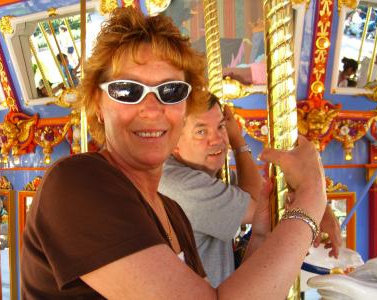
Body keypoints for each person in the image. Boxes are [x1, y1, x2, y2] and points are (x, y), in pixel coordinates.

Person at [21, 7, 327, 299]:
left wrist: (261, 235)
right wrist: (311, 199)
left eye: (171, 91)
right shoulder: (78, 185)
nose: (152, 110)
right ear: (98, 105)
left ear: (184, 108)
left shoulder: (172, 213)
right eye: (128, 91)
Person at [159, 94, 342, 287]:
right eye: (201, 132)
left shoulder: (203, 175)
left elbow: (266, 193)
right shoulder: (179, 184)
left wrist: (322, 210)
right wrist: (238, 141)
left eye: (221, 127)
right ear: (174, 142)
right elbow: (264, 206)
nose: (218, 140)